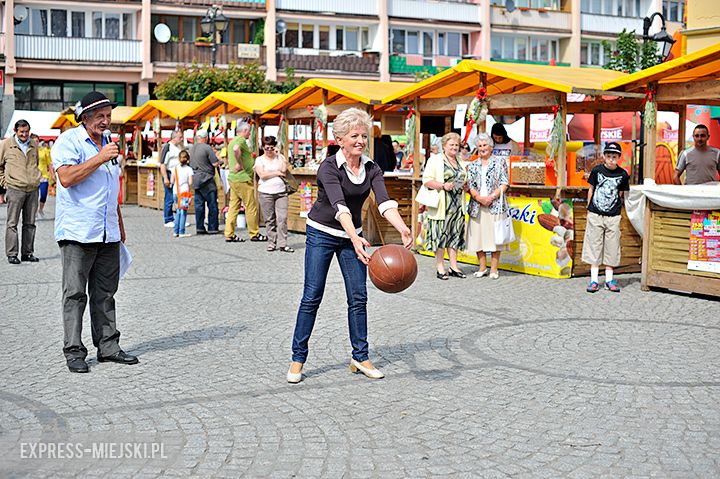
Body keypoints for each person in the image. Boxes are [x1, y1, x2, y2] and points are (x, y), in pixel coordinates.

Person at [287, 108, 412, 384]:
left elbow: (384, 202)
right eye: (354, 135)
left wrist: (402, 227)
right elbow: (339, 205)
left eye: (364, 136)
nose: (360, 140)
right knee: (312, 296)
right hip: (322, 233)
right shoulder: (329, 168)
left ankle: (360, 356)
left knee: (358, 297)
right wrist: (355, 239)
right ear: (340, 139)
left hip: (352, 235)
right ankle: (298, 358)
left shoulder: (372, 168)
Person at [51, 91, 139, 373]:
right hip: (78, 230)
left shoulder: (109, 144)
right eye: (100, 116)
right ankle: (74, 350)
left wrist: (119, 224)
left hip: (107, 231)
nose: (105, 121)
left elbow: (110, 190)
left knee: (105, 292)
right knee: (75, 293)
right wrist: (100, 158)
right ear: (85, 118)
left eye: (108, 116)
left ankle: (108, 346)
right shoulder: (69, 141)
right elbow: (66, 178)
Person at [582, 142, 630, 293]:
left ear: (618, 158)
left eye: (614, 156)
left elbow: (621, 193)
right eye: (608, 156)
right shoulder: (597, 171)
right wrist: (589, 208)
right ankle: (594, 280)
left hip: (613, 216)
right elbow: (591, 189)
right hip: (596, 213)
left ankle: (609, 279)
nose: (611, 159)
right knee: (593, 245)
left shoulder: (623, 175)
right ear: (604, 156)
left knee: (612, 246)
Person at [422, 132, 468, 280]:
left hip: (457, 204)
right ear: (444, 146)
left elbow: (463, 179)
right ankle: (440, 267)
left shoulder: (460, 161)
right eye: (451, 145)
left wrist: (465, 186)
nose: (454, 147)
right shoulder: (435, 160)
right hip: (442, 204)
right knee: (440, 236)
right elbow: (427, 180)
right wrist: (443, 185)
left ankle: (454, 266)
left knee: (454, 236)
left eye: (456, 145)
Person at [466, 133, 509, 279]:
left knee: (495, 237)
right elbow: (470, 185)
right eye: (479, 146)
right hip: (477, 205)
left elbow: (505, 183)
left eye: (485, 145)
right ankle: (482, 267)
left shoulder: (500, 162)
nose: (482, 148)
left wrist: (491, 197)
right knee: (478, 237)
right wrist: (478, 197)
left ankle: (494, 269)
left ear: (490, 147)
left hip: (495, 204)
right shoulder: (472, 165)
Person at [0, 119, 41, 264]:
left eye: (26, 131)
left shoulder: (34, 144)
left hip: (32, 189)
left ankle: (27, 253)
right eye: (21, 132)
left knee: (30, 223)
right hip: (15, 188)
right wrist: (4, 184)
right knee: (12, 223)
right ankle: (12, 254)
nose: (24, 134)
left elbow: (36, 163)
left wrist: (35, 178)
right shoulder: (5, 145)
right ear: (15, 131)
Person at [224, 122, 266, 243]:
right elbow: (236, 149)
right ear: (245, 130)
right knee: (251, 206)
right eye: (249, 131)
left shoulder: (232, 140)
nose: (250, 133)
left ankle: (229, 233)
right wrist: (240, 164)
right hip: (243, 179)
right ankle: (254, 233)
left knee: (233, 206)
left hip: (234, 178)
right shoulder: (240, 140)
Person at [254, 136, 293, 252]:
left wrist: (279, 154)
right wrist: (276, 172)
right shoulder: (259, 160)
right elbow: (262, 175)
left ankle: (283, 243)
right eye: (267, 148)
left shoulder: (280, 157)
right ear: (263, 148)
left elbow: (284, 170)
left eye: (271, 148)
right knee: (269, 219)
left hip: (281, 192)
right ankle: (272, 242)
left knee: (282, 218)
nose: (269, 151)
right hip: (265, 192)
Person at [189, 129, 221, 235]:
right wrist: (220, 159)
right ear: (205, 138)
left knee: (199, 205)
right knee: (212, 205)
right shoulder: (207, 148)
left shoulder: (192, 148)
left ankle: (200, 227)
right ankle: (212, 227)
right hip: (207, 179)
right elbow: (215, 163)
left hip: (196, 179)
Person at [159, 130, 184, 227]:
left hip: (178, 174)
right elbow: (162, 164)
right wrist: (165, 177)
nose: (181, 139)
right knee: (169, 197)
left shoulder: (179, 147)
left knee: (178, 197)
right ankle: (168, 219)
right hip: (169, 174)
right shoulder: (167, 147)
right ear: (174, 137)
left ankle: (179, 218)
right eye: (180, 137)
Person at [171, 150, 193, 238]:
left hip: (175, 192)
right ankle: (181, 231)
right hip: (184, 193)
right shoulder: (189, 169)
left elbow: (172, 181)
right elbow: (190, 182)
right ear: (187, 159)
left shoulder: (175, 168)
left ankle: (175, 231)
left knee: (178, 212)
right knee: (183, 212)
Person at [37, 139, 53, 218]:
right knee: (33, 196)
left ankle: (40, 209)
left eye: (37, 141)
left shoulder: (44, 151)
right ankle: (33, 212)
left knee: (43, 195)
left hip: (44, 176)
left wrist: (53, 174)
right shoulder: (28, 151)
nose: (36, 143)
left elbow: (49, 163)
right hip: (33, 177)